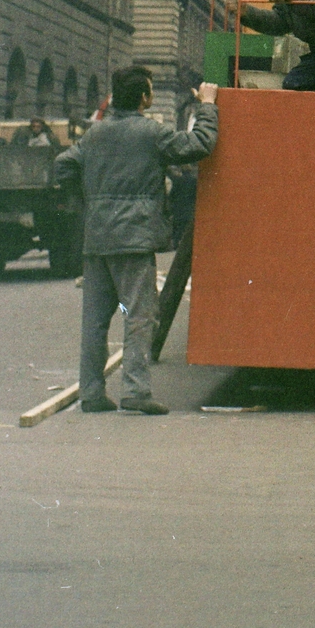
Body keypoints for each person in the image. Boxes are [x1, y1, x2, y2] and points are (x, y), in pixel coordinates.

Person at [53, 66, 218, 414]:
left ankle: (92, 394)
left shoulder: (94, 135)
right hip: (135, 238)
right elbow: (200, 144)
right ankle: (136, 391)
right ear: (145, 97)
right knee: (140, 316)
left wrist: (88, 203)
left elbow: (63, 165)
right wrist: (207, 105)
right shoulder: (151, 133)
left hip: (98, 238)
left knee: (95, 321)